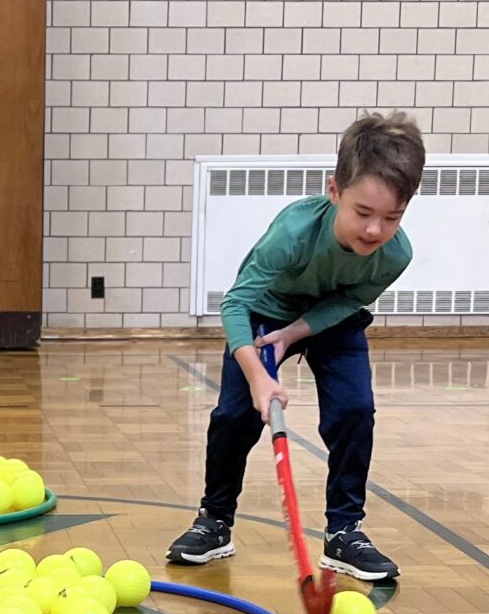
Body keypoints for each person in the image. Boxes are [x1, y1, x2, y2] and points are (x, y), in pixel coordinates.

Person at [167, 112, 426, 581]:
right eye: (363, 213)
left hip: (332, 319)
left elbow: (350, 300)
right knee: (234, 415)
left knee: (354, 411)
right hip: (263, 310)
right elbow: (235, 305)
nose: (374, 231)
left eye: (392, 217)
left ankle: (345, 532)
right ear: (334, 191)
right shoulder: (292, 234)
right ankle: (215, 520)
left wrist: (296, 334)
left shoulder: (396, 254)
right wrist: (261, 375)